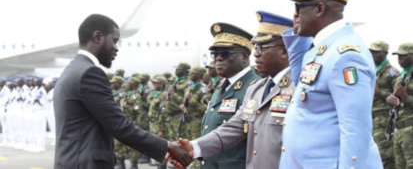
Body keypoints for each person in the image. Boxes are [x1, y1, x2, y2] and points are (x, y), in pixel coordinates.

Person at [53, 14, 191, 169]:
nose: (116, 48)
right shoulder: (89, 73)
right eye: (114, 40)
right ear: (97, 37)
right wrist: (167, 146)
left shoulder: (72, 70)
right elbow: (119, 125)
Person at [280, 0, 383, 168]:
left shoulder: (346, 55)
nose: (295, 16)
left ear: (319, 9)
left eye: (299, 8)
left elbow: (355, 131)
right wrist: (296, 33)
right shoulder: (321, 50)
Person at [172, 11, 295, 169]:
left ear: (284, 51)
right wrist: (194, 147)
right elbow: (234, 127)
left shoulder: (299, 87)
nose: (255, 54)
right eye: (255, 47)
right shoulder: (256, 89)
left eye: (261, 47)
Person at [190, 22, 260, 169]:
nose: (218, 58)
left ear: (245, 56)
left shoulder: (255, 87)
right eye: (215, 54)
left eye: (225, 53)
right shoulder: (220, 88)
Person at [369, 41, 400, 168]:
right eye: (371, 51)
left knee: (386, 155)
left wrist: (380, 92)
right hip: (370, 117)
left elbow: (398, 97)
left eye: (376, 52)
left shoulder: (392, 72)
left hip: (384, 118)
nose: (372, 54)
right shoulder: (370, 70)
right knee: (373, 154)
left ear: (385, 54)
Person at [387, 42, 413, 169]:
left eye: (403, 56)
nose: (399, 59)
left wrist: (406, 97)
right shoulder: (402, 75)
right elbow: (396, 97)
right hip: (399, 128)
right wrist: (390, 99)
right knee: (399, 165)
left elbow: (405, 97)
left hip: (411, 128)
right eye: (398, 56)